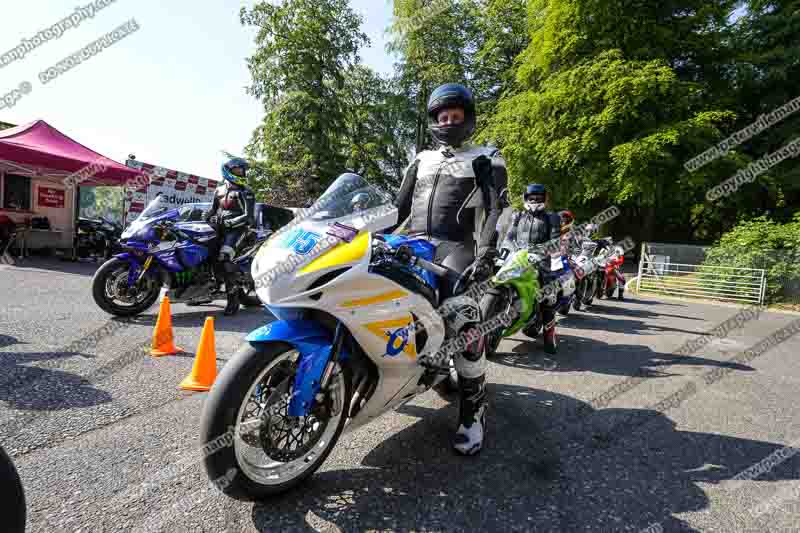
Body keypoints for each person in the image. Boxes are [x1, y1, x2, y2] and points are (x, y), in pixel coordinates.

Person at [392, 82, 506, 456]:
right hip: (412, 240)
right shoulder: (420, 159)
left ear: (468, 119)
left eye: (456, 116)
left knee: (465, 317)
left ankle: (473, 410)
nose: (448, 121)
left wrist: (486, 253)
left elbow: (494, 210)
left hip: (456, 247)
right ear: (433, 121)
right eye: (442, 116)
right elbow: (396, 209)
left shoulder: (486, 156)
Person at [498, 183, 563, 355]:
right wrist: (505, 251)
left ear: (544, 199)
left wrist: (541, 252)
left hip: (541, 260)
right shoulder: (517, 216)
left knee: (548, 294)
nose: (535, 200)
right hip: (518, 257)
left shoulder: (552, 217)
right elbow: (509, 237)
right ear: (526, 199)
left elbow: (555, 240)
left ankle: (550, 336)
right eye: (531, 198)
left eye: (538, 198)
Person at [203, 157, 256, 316]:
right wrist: (205, 216)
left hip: (239, 230)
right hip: (219, 230)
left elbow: (249, 216)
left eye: (242, 170)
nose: (242, 172)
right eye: (238, 170)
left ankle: (233, 301)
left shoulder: (246, 191)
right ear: (228, 171)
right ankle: (204, 291)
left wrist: (231, 222)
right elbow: (212, 211)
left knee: (225, 259)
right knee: (205, 254)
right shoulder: (218, 190)